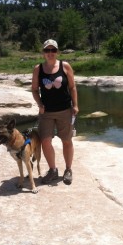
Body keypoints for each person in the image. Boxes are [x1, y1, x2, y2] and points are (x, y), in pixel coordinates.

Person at [32, 39, 79, 185]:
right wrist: (39, 103)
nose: (50, 53)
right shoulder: (38, 69)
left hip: (65, 110)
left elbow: (72, 87)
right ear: (43, 53)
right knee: (45, 141)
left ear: (57, 52)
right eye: (47, 50)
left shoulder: (65, 66)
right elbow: (34, 90)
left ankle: (68, 170)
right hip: (46, 112)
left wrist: (75, 105)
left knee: (66, 140)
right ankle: (53, 170)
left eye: (53, 50)